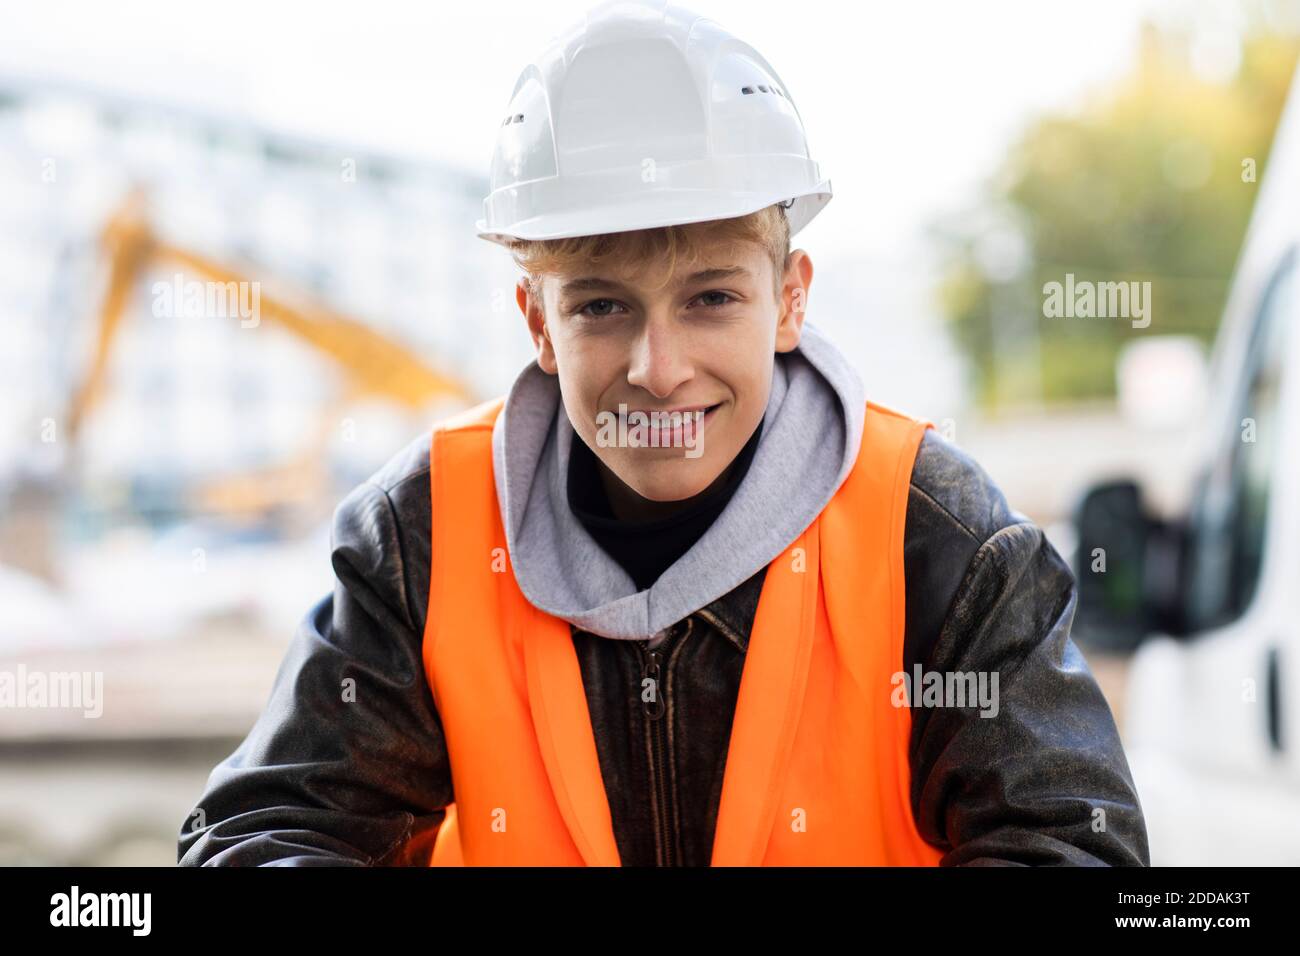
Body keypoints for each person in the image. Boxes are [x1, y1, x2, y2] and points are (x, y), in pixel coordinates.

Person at [178, 0, 1149, 867]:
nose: (658, 365)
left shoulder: (936, 535)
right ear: (535, 322)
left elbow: (1067, 840)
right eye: (601, 305)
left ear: (788, 299)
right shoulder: (420, 536)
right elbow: (271, 827)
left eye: (711, 297)